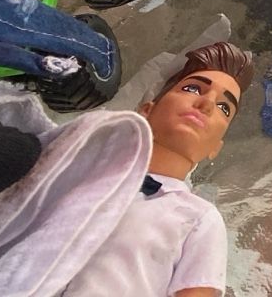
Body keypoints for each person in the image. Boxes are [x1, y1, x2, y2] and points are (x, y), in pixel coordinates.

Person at [57, 40, 254, 297]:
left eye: (224, 108)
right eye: (193, 88)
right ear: (147, 109)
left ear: (215, 147)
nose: (206, 104)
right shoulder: (79, 170)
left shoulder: (199, 220)